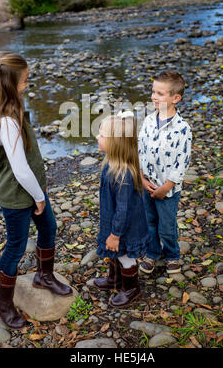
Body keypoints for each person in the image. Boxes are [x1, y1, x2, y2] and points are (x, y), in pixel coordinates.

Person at [0, 51, 72, 330]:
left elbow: (30, 159)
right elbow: (20, 169)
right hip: (17, 196)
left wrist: (41, 187)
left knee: (49, 229)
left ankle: (43, 276)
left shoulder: (15, 107)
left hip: (34, 189)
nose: (27, 85)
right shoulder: (7, 120)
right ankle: (3, 302)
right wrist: (38, 196)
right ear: (10, 85)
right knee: (15, 246)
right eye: (24, 81)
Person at [93, 111, 149, 308]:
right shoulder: (111, 164)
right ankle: (114, 280)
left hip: (126, 227)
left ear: (115, 143)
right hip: (115, 221)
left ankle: (131, 288)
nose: (96, 137)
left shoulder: (123, 174)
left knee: (126, 256)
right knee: (114, 251)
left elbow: (123, 210)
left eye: (101, 135)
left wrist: (115, 234)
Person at [138, 71, 192, 275]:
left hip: (167, 189)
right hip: (148, 184)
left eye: (160, 93)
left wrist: (167, 186)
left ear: (175, 98)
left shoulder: (182, 128)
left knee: (167, 226)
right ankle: (153, 252)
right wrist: (141, 177)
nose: (154, 96)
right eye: (153, 91)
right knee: (150, 221)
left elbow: (182, 161)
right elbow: (140, 149)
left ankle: (172, 255)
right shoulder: (149, 121)